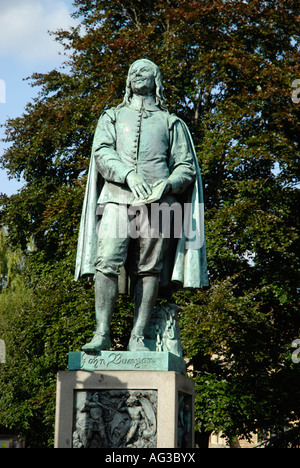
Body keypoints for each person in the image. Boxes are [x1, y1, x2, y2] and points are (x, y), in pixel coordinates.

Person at [75, 59, 208, 353]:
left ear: (156, 79)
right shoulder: (112, 117)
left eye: (144, 70)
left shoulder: (172, 123)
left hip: (160, 203)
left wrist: (168, 184)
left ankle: (138, 335)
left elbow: (186, 167)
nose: (137, 73)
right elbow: (102, 153)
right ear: (127, 80)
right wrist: (128, 174)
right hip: (116, 197)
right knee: (106, 261)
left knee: (150, 269)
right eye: (132, 70)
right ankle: (102, 333)